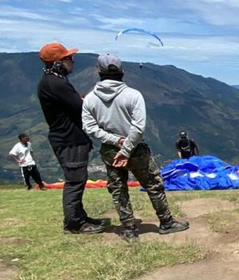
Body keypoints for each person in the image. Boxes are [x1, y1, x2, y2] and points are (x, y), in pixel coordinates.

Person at [81, 54, 189, 241]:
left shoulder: (90, 99)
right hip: (136, 150)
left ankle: (129, 229)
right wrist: (126, 148)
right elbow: (138, 128)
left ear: (99, 72)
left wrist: (115, 142)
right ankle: (166, 222)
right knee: (154, 185)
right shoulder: (133, 95)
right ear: (122, 71)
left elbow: (89, 127)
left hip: (110, 151)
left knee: (118, 189)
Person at [36, 42, 105, 234]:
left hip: (69, 139)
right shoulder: (56, 83)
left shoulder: (53, 80)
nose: (72, 61)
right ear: (58, 62)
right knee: (75, 180)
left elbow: (74, 101)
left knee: (78, 178)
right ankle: (74, 224)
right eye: (68, 58)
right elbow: (80, 107)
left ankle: (79, 217)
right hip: (69, 140)